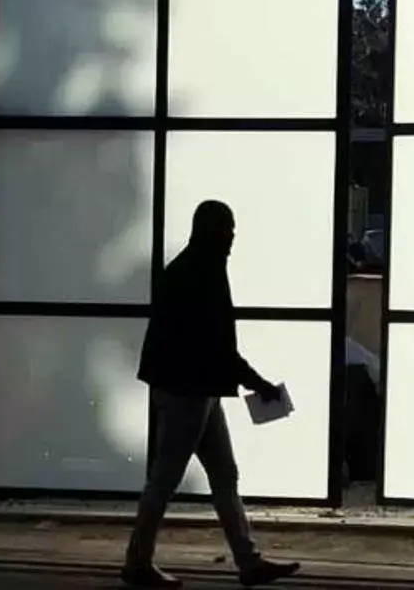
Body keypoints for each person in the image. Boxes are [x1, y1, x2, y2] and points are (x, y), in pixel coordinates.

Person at [121, 200, 300, 589]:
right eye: (227, 228)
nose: (232, 236)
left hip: (192, 389)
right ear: (212, 230)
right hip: (190, 391)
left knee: (221, 475)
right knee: (169, 479)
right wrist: (260, 384)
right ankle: (138, 563)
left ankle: (248, 561)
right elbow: (217, 346)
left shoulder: (190, 267)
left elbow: (208, 345)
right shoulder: (203, 273)